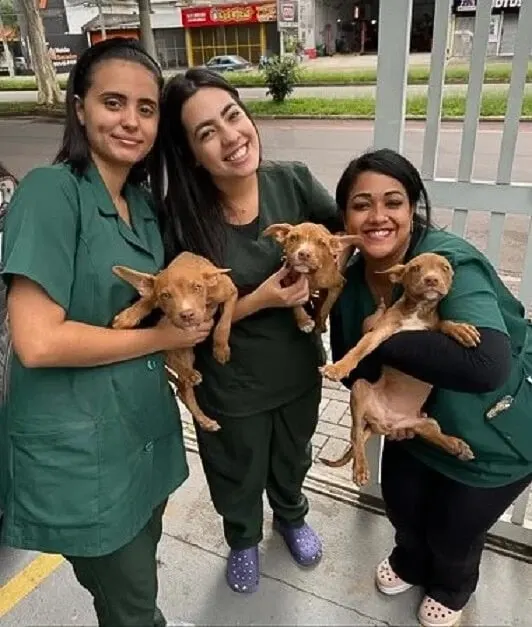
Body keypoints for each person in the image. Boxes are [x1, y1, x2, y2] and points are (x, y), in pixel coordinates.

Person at [0, 38, 213, 627]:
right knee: (133, 608)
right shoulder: (51, 193)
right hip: (80, 461)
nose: (131, 121)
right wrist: (163, 339)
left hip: (141, 439)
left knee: (135, 584)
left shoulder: (142, 205)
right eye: (113, 102)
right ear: (79, 108)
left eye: (147, 109)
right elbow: (38, 341)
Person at [150, 68, 342, 593]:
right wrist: (260, 300)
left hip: (297, 367)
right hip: (230, 380)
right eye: (207, 132)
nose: (231, 136)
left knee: (293, 452)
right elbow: (179, 314)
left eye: (232, 116)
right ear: (190, 152)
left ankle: (292, 514)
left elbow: (343, 240)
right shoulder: (181, 218)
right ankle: (241, 539)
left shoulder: (294, 181)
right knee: (235, 465)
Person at [329, 148, 532, 627]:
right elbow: (347, 358)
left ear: (413, 206)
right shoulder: (356, 275)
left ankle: (453, 585)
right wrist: (382, 410)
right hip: (417, 425)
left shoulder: (449, 262)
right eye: (361, 204)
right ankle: (411, 560)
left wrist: (379, 333)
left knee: (453, 533)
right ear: (345, 215)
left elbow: (485, 366)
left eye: (393, 202)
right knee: (400, 504)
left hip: (495, 429)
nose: (378, 217)